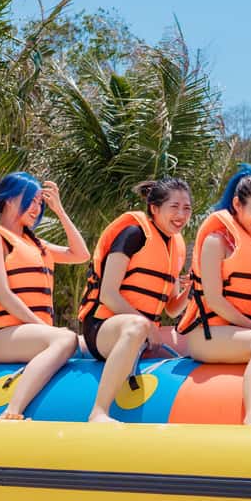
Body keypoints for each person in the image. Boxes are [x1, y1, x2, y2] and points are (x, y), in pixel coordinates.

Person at [0, 173, 88, 420]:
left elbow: (81, 255)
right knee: (67, 339)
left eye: (39, 202)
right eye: (30, 201)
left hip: (33, 335)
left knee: (89, 345)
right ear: (10, 199)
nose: (36, 208)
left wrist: (59, 211)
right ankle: (12, 410)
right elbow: (2, 294)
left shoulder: (36, 245)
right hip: (1, 337)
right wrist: (43, 328)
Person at [79, 178, 192, 423]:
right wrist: (146, 325)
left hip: (143, 333)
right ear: (155, 208)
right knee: (137, 326)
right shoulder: (133, 234)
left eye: (187, 208)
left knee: (193, 338)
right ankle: (98, 411)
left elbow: (172, 309)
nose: (181, 215)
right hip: (104, 328)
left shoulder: (176, 247)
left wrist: (190, 289)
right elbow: (108, 294)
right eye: (174, 207)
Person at [176, 165, 251, 425]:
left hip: (246, 330)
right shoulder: (216, 241)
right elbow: (214, 301)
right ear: (237, 204)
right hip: (208, 334)